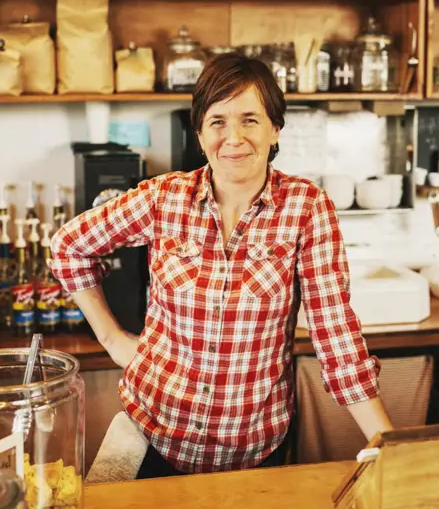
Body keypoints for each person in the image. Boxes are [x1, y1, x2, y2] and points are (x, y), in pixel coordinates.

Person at [49, 52, 393, 478]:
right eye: (218, 121)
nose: (233, 138)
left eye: (250, 119)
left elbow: (335, 334)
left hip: (255, 448)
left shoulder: (306, 208)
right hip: (152, 437)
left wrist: (385, 445)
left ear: (275, 129)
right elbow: (68, 246)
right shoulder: (164, 198)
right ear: (199, 134)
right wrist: (113, 338)